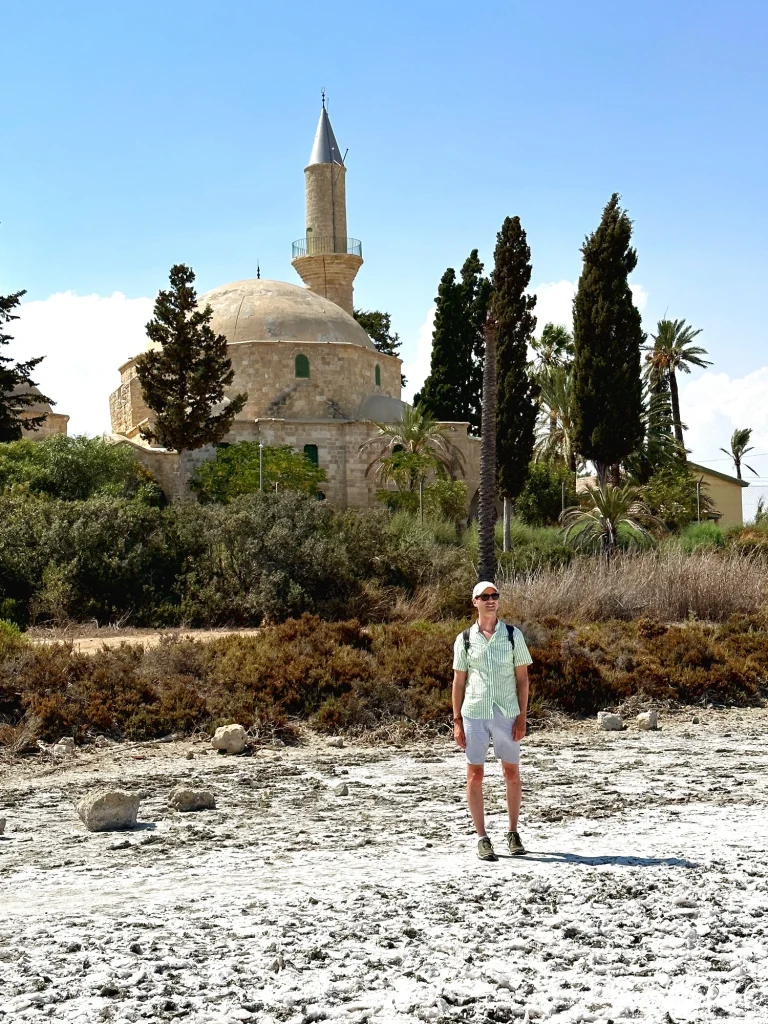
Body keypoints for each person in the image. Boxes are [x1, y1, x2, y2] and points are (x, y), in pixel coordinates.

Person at [452, 581, 533, 861]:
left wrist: (522, 716)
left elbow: (522, 679)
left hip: (506, 712)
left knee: (512, 773)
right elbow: (458, 681)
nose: (491, 600)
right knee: (475, 776)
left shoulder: (513, 636)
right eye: (484, 597)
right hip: (474, 713)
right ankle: (482, 837)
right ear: (474, 601)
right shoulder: (464, 639)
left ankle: (512, 832)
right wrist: (457, 721)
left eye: (494, 596)